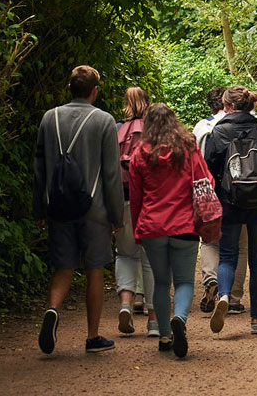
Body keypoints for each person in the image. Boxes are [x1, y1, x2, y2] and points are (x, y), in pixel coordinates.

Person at [33, 65, 123, 354]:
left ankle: (52, 309)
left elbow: (39, 168)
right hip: (94, 210)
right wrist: (116, 215)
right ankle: (93, 337)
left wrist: (39, 209)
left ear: (69, 88)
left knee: (64, 267)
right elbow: (111, 173)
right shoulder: (104, 121)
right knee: (95, 269)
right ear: (94, 91)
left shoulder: (49, 118)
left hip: (58, 207)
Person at [128, 103, 207, 358]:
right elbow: (205, 180)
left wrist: (138, 230)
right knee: (184, 281)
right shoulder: (188, 148)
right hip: (185, 225)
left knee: (161, 282)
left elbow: (136, 196)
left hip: (153, 226)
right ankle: (180, 319)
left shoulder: (140, 153)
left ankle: (164, 334)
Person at [204, 86, 257, 335]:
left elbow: (209, 169)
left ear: (227, 106)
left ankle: (225, 295)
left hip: (229, 200)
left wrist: (212, 202)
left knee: (227, 256)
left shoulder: (219, 130)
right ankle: (256, 321)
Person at [192, 87, 248, 316]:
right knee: (241, 247)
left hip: (209, 190)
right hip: (242, 190)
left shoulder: (201, 127)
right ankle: (233, 298)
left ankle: (211, 280)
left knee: (209, 241)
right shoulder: (244, 124)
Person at [115, 87, 159, 337]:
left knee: (124, 254)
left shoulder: (117, 129)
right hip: (151, 203)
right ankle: (153, 320)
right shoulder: (155, 130)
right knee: (151, 261)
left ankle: (125, 303)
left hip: (123, 199)